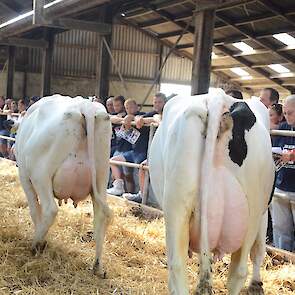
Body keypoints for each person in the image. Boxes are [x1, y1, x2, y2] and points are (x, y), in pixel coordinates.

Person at [122, 93, 167, 203]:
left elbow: (154, 118)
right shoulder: (152, 113)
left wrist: (155, 119)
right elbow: (140, 118)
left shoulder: (169, 114)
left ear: (165, 103)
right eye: (155, 102)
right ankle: (141, 195)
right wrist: (134, 117)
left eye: (159, 102)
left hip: (166, 150)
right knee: (141, 166)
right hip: (155, 151)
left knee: (142, 166)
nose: (156, 104)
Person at [271, 95, 295, 251]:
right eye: (285, 113)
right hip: (282, 185)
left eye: (290, 112)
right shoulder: (284, 128)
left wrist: (292, 155)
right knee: (280, 228)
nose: (286, 116)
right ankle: (282, 260)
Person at [107, 99, 146, 195]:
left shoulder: (143, 114)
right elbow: (110, 118)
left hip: (141, 152)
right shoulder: (123, 116)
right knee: (113, 161)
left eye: (132, 107)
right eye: (127, 107)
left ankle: (140, 194)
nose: (129, 109)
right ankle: (118, 187)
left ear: (137, 107)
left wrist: (132, 117)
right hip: (132, 151)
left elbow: (144, 118)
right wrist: (124, 119)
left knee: (133, 173)